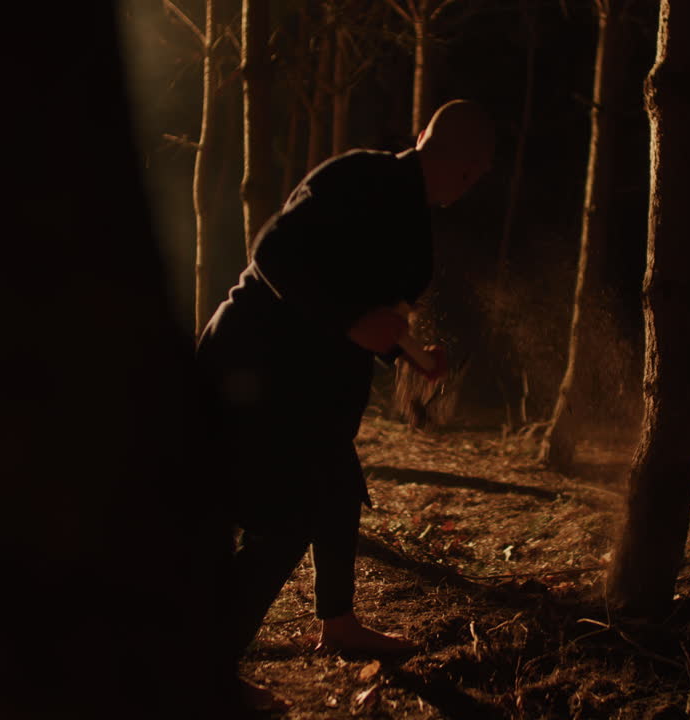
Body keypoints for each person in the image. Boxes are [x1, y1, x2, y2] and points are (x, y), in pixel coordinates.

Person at [196, 99, 495, 708]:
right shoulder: (360, 177)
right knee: (282, 518)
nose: (469, 188)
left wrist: (415, 357)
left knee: (335, 484)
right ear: (461, 164)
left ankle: (338, 624)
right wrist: (352, 322)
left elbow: (380, 319)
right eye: (473, 174)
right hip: (252, 363)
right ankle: (204, 669)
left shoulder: (417, 235)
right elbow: (273, 252)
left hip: (306, 386)